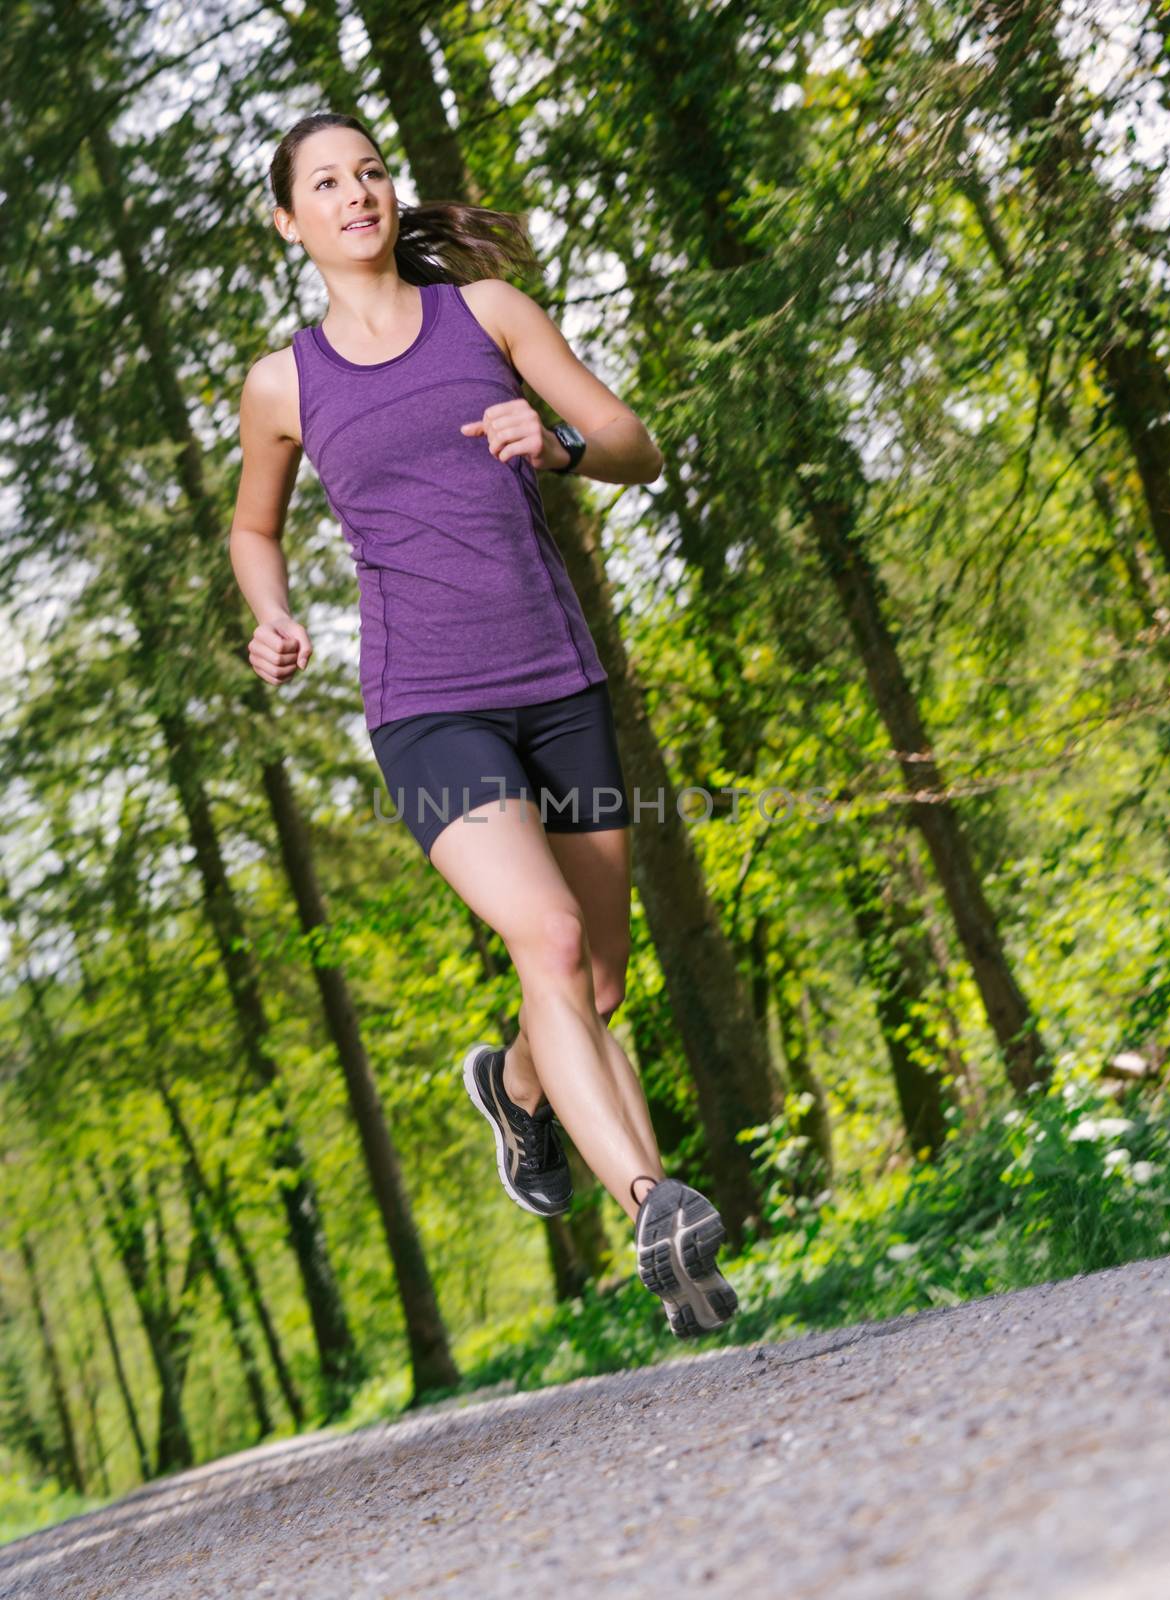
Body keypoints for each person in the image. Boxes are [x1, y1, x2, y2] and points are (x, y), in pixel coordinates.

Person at [228, 110, 737, 1339]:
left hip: (555, 680)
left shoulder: (489, 315)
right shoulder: (282, 383)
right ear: (289, 221)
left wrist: (555, 445)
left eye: (372, 172)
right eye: (328, 184)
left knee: (598, 978)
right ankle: (654, 1204)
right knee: (550, 938)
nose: (359, 195)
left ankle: (514, 1087)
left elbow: (635, 444)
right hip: (427, 706)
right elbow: (253, 528)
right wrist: (273, 614)